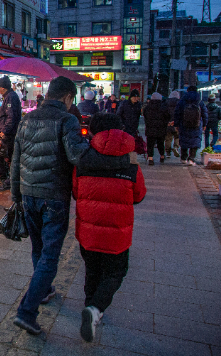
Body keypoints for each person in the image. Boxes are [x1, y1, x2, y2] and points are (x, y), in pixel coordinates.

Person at [10, 76, 134, 336]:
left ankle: (43, 290)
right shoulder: (67, 120)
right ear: (67, 97)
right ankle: (26, 311)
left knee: (38, 248)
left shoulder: (28, 118)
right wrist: (120, 162)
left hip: (28, 193)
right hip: (53, 196)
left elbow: (15, 159)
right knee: (50, 257)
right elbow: (78, 155)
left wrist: (16, 195)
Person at [72, 113, 146, 343]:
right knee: (115, 272)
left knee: (92, 270)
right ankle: (94, 309)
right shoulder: (130, 161)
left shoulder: (83, 158)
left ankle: (90, 309)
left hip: (89, 229)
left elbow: (76, 192)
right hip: (117, 233)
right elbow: (139, 195)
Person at [0, 76, 21, 190]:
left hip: (8, 134)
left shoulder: (10, 97)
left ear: (3, 87)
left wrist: (4, 131)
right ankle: (11, 181)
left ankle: (5, 181)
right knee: (9, 157)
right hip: (9, 133)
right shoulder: (9, 96)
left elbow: (11, 117)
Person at [174, 86, 208, 165]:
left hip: (184, 124)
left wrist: (176, 124)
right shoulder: (200, 101)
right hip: (197, 125)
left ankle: (183, 158)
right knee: (195, 141)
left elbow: (177, 113)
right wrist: (205, 124)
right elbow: (205, 114)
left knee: (184, 141)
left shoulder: (182, 101)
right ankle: (191, 159)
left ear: (187, 91)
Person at [142, 92, 171, 165]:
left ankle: (150, 158)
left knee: (150, 144)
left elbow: (145, 116)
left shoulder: (148, 107)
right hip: (161, 128)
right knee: (160, 143)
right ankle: (162, 156)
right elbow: (168, 116)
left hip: (150, 128)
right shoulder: (163, 107)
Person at [165, 91, 181, 157]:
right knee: (177, 137)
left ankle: (168, 152)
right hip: (176, 123)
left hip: (168, 123)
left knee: (168, 138)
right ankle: (176, 147)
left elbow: (164, 113)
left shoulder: (166, 102)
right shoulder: (180, 103)